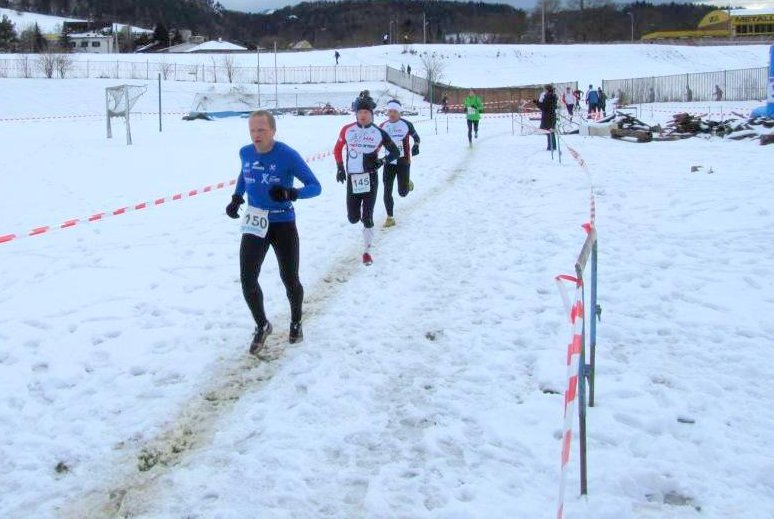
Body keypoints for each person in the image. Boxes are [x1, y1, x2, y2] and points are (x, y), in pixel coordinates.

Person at [225, 110, 322, 354]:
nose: (256, 135)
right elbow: (245, 174)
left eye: (261, 130)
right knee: (247, 279)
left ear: (273, 131)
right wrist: (237, 198)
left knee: (289, 278)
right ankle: (262, 325)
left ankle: (296, 321)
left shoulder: (288, 155)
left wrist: (292, 194)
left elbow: (315, 187)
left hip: (282, 223)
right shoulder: (245, 152)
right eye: (252, 130)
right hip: (255, 222)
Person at [334, 98, 400, 265]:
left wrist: (382, 161)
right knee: (353, 218)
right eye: (360, 112)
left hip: (370, 178)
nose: (363, 116)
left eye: (366, 113)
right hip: (353, 178)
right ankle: (360, 220)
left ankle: (367, 252)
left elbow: (394, 152)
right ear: (356, 114)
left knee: (368, 217)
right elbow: (337, 149)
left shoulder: (379, 133)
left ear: (371, 115)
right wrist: (340, 167)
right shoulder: (347, 130)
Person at [378, 99, 420, 227]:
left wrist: (416, 145)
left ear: (399, 112)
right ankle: (390, 217)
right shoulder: (383, 126)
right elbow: (377, 144)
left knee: (402, 193)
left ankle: (407, 183)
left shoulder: (407, 124)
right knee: (387, 190)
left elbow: (416, 137)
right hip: (389, 162)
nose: (392, 114)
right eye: (389, 111)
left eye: (394, 111)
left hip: (403, 162)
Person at [536, 84, 557, 151]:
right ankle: (553, 146)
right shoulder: (553, 96)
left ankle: (550, 147)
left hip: (548, 117)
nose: (544, 91)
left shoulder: (548, 96)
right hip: (552, 115)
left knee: (548, 132)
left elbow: (544, 107)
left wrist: (537, 103)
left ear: (547, 90)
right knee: (551, 132)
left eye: (545, 89)